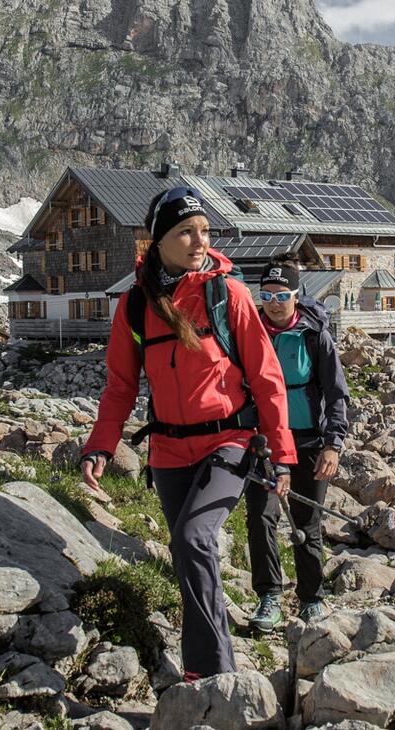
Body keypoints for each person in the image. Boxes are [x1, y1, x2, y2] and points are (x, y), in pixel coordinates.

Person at [78, 186, 297, 679]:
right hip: (169, 451)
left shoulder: (228, 293)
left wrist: (282, 454)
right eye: (186, 232)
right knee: (186, 553)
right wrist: (100, 446)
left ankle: (213, 673)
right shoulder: (135, 306)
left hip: (230, 443)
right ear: (158, 241)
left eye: (203, 231)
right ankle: (210, 665)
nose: (200, 241)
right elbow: (120, 385)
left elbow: (266, 377)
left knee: (194, 538)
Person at [243, 254, 350, 630]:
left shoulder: (315, 334)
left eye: (282, 294)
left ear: (296, 294)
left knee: (309, 521)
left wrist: (333, 444)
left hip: (309, 441)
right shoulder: (249, 332)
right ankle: (269, 595)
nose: (273, 303)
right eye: (266, 295)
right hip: (263, 442)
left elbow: (337, 394)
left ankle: (310, 597)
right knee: (261, 516)